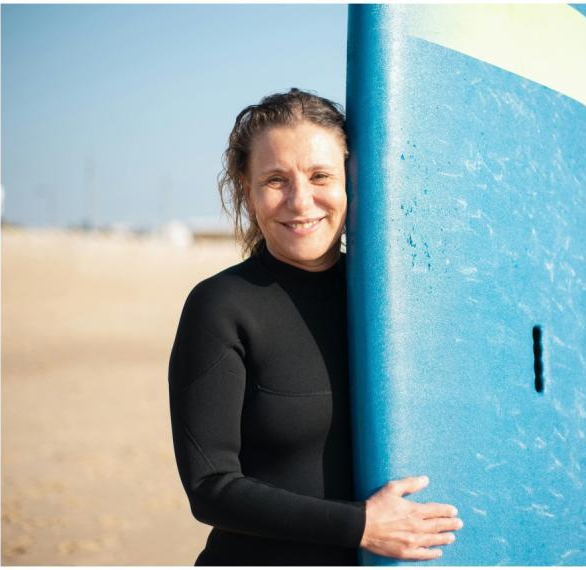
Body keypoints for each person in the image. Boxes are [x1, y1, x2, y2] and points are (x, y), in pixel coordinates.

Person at [168, 89, 462, 565]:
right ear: (247, 190)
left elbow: (467, 424)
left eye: (320, 175)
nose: (300, 201)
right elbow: (210, 488)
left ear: (352, 181)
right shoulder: (221, 306)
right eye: (275, 180)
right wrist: (361, 525)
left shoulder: (397, 304)